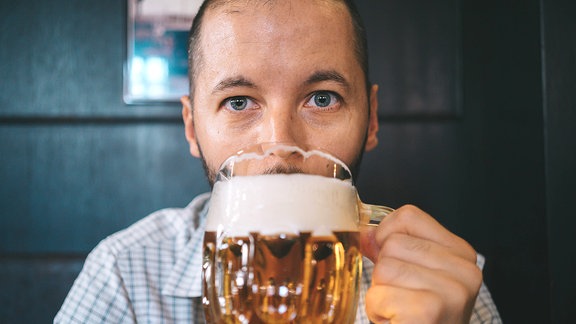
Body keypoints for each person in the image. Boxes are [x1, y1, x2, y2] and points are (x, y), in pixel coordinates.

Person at [55, 0, 501, 323]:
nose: (281, 145)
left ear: (371, 118)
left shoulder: (441, 287)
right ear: (192, 127)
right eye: (238, 102)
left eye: (321, 99)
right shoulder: (125, 275)